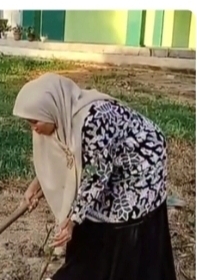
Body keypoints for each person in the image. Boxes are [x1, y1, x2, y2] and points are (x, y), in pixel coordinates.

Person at [13, 74, 176, 280]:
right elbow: (65, 159)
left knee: (119, 220)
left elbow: (96, 175)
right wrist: (37, 186)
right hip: (112, 162)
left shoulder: (92, 120)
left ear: (50, 108)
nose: (33, 128)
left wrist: (73, 220)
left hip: (143, 163)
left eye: (35, 121)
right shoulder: (62, 114)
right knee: (92, 218)